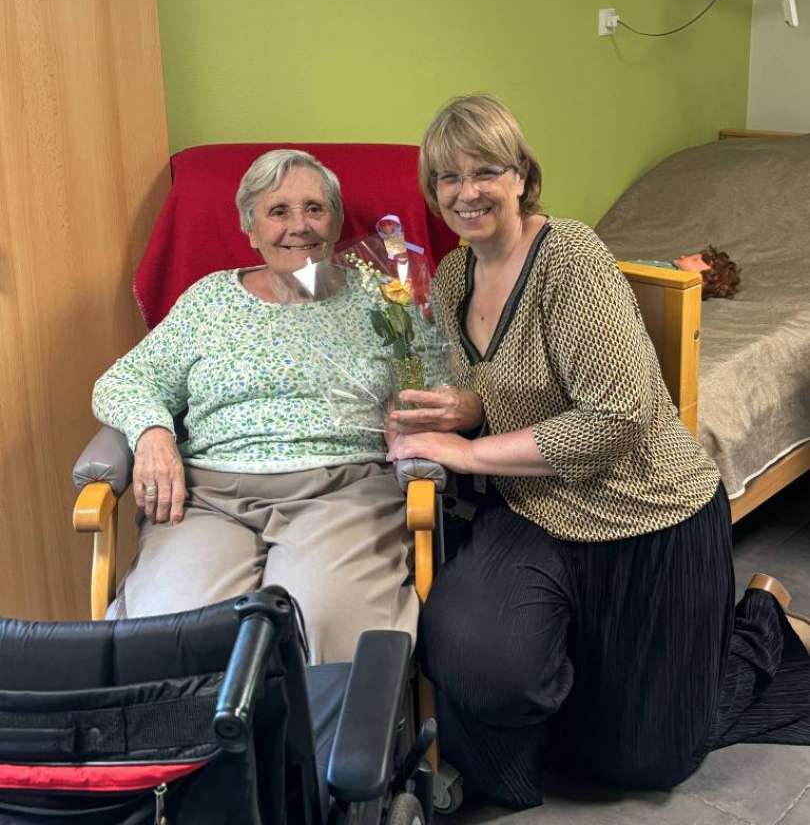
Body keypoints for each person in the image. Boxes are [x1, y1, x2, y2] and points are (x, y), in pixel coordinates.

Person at [386, 94, 810, 808]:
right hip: (537, 506)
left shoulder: (571, 258)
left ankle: (760, 624)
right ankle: (602, 685)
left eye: (485, 171)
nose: (466, 192)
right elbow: (505, 379)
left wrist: (466, 454)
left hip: (647, 514)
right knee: (478, 664)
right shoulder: (455, 277)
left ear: (522, 175)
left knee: (646, 760)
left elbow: (616, 418)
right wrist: (464, 407)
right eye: (447, 178)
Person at [93, 149, 418, 663]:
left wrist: (412, 414)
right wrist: (152, 432)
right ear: (250, 228)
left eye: (315, 208)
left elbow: (429, 385)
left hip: (343, 491)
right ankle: (197, 722)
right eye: (278, 211)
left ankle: (316, 722)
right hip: (208, 498)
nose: (299, 226)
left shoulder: (383, 297)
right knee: (176, 630)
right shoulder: (209, 301)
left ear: (336, 223)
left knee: (322, 622)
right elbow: (125, 380)